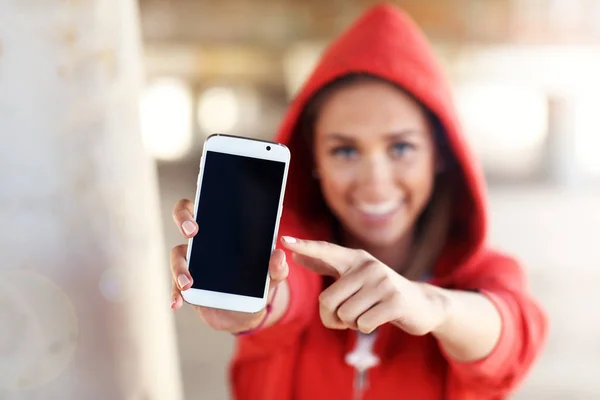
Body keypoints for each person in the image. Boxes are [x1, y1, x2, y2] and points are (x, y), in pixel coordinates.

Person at [169, 4, 548, 399]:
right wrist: (253, 304)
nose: (375, 184)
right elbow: (285, 296)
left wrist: (428, 305)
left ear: (440, 155)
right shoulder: (284, 260)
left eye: (401, 147)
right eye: (345, 152)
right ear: (312, 159)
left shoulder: (486, 276)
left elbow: (509, 332)